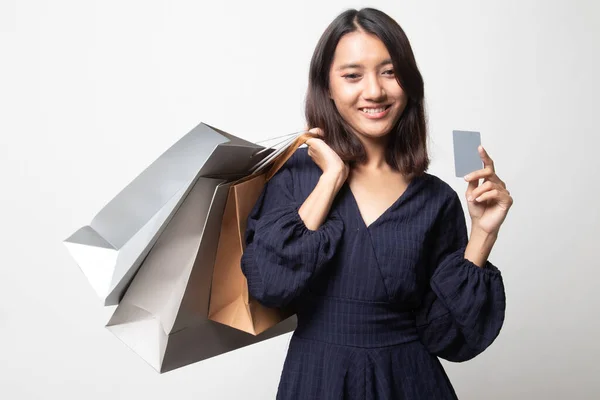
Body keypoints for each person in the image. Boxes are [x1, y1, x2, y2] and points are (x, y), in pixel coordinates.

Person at [241, 7, 513, 400]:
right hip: (318, 381)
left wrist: (483, 235)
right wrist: (331, 177)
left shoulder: (436, 199)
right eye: (353, 75)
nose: (374, 91)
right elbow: (269, 285)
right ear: (327, 86)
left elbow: (446, 337)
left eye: (389, 71)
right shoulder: (295, 178)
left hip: (410, 381)